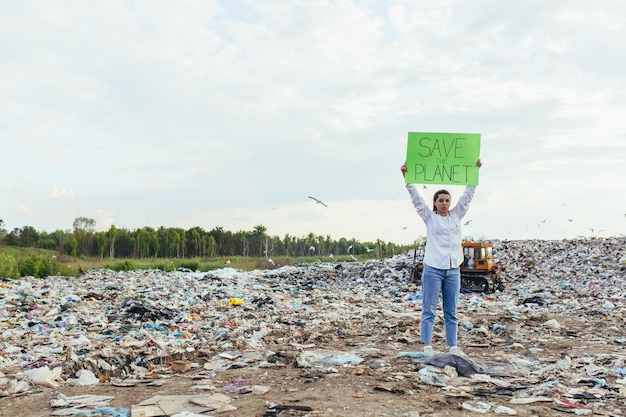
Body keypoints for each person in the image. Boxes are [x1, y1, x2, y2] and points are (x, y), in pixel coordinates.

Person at [400, 159, 482, 357]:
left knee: (451, 310)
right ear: (435, 203)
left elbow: (467, 197)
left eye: (447, 200)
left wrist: (475, 172)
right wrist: (407, 178)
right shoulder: (430, 217)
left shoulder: (456, 216)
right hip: (433, 268)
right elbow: (416, 199)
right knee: (428, 308)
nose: (444, 203)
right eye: (440, 200)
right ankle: (427, 345)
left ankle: (453, 345)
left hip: (453, 269)